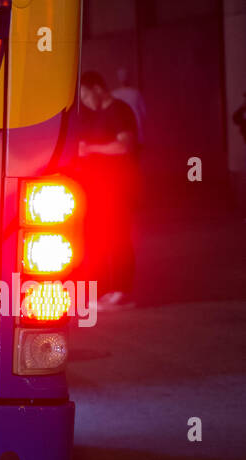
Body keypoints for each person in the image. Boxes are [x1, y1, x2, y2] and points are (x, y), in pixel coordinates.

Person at [76, 71, 139, 308]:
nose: (83, 100)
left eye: (84, 93)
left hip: (119, 186)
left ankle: (122, 290)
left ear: (97, 89)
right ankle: (103, 289)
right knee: (97, 238)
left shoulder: (120, 111)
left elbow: (124, 146)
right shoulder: (93, 116)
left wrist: (91, 148)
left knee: (119, 237)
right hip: (96, 188)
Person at [110, 67, 147, 151]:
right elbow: (144, 113)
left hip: (128, 130)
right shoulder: (134, 93)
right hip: (127, 130)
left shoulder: (115, 94)